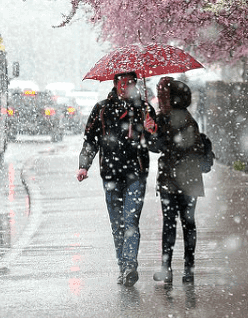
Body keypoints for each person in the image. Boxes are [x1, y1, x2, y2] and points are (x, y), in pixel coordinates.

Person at [76, 71, 157, 287]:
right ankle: (123, 266)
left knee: (131, 221)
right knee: (117, 224)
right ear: (114, 83)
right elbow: (90, 140)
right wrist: (84, 165)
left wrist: (152, 130)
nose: (126, 86)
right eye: (122, 83)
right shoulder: (102, 109)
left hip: (136, 174)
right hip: (111, 174)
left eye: (131, 83)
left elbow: (156, 144)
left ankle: (130, 265)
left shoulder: (144, 109)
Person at [149, 76, 206, 284]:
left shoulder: (174, 119)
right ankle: (184, 269)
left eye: (163, 94)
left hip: (174, 179)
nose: (160, 98)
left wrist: (154, 134)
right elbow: (159, 146)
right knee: (184, 224)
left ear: (171, 97)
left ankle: (172, 268)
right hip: (185, 179)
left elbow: (162, 147)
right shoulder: (184, 118)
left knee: (173, 224)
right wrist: (153, 131)